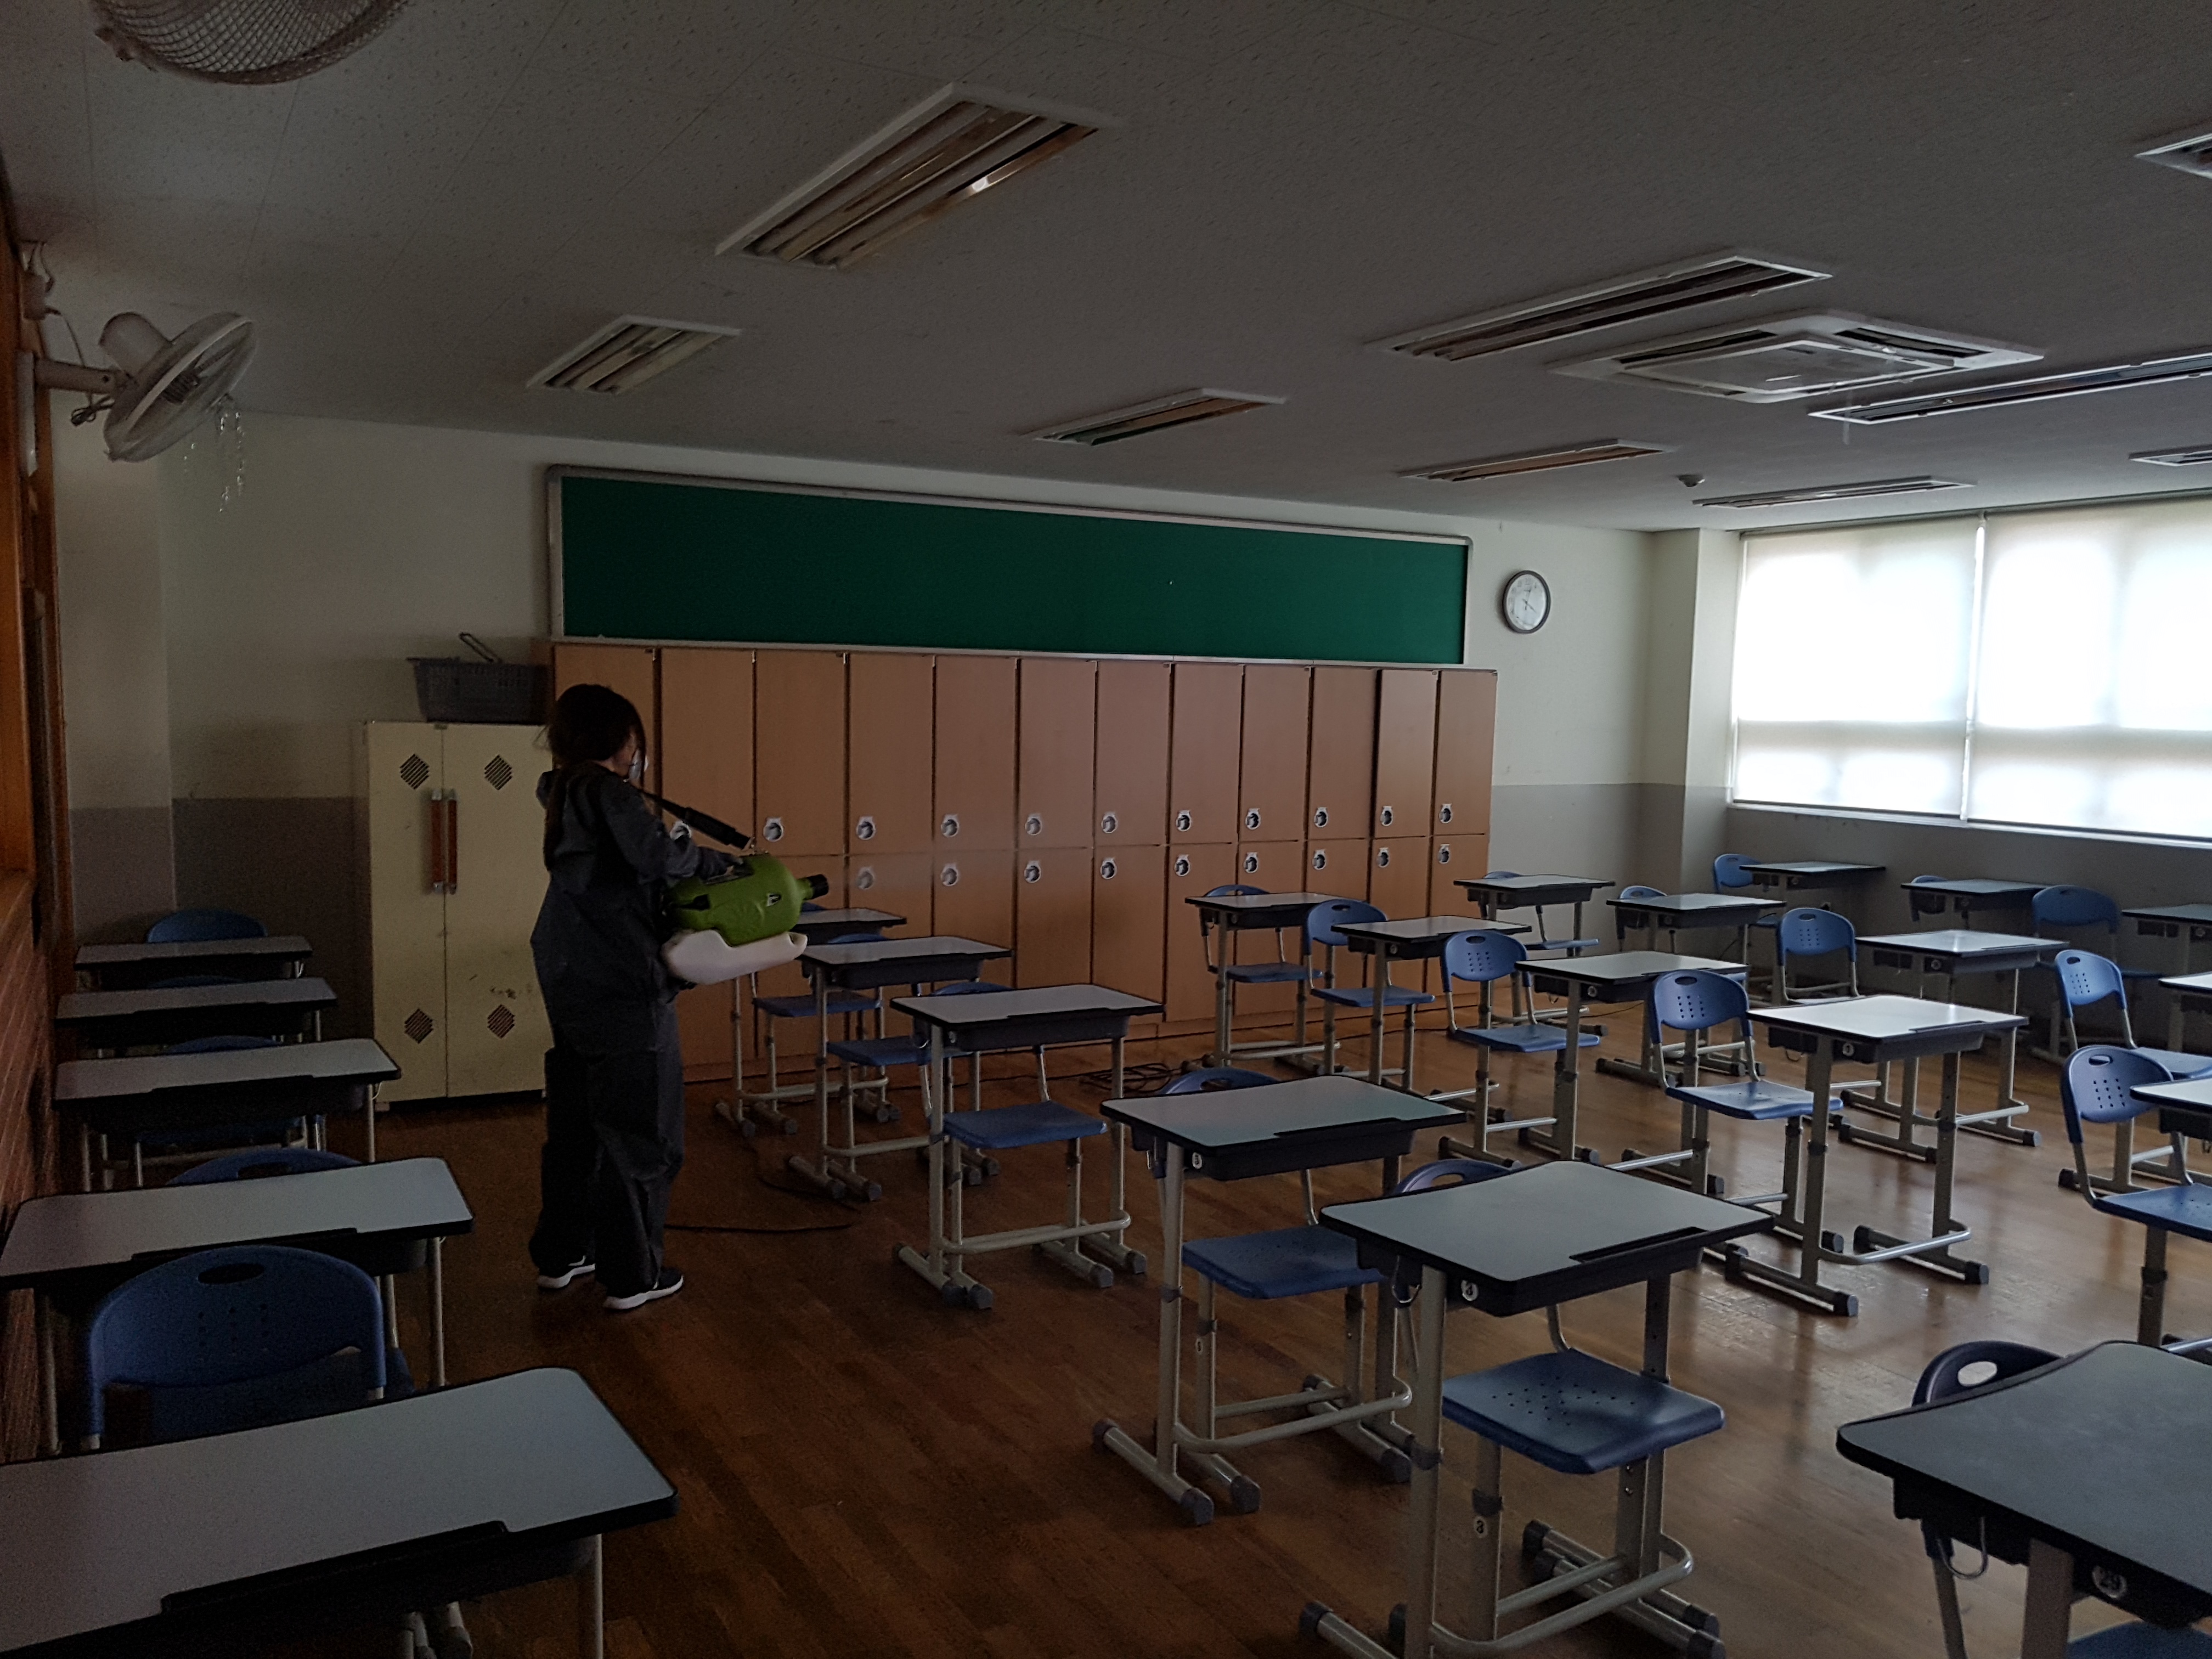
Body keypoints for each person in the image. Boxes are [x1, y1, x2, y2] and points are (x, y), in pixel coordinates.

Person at [528, 682, 733, 1311]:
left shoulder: (562, 789)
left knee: (578, 1126)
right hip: (620, 979)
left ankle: (566, 1252)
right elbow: (656, 858)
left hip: (569, 971)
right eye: (634, 739)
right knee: (641, 1131)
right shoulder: (609, 793)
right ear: (621, 739)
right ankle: (633, 1274)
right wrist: (712, 863)